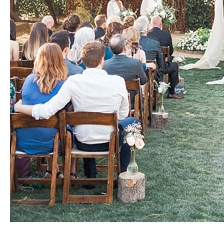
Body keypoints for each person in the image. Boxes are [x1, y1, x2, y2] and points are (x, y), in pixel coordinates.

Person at [15, 40, 139, 179]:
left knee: (92, 124)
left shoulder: (72, 82)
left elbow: (45, 111)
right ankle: (123, 174)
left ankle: (91, 174)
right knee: (132, 123)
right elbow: (122, 115)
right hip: (110, 141)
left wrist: (19, 107)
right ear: (102, 60)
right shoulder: (118, 81)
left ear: (83, 61)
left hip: (83, 142)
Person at [16, 43, 68, 178]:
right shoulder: (63, 86)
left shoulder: (28, 81)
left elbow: (25, 100)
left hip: (22, 140)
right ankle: (58, 172)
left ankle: (52, 171)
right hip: (51, 143)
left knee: (53, 127)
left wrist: (18, 105)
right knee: (64, 127)